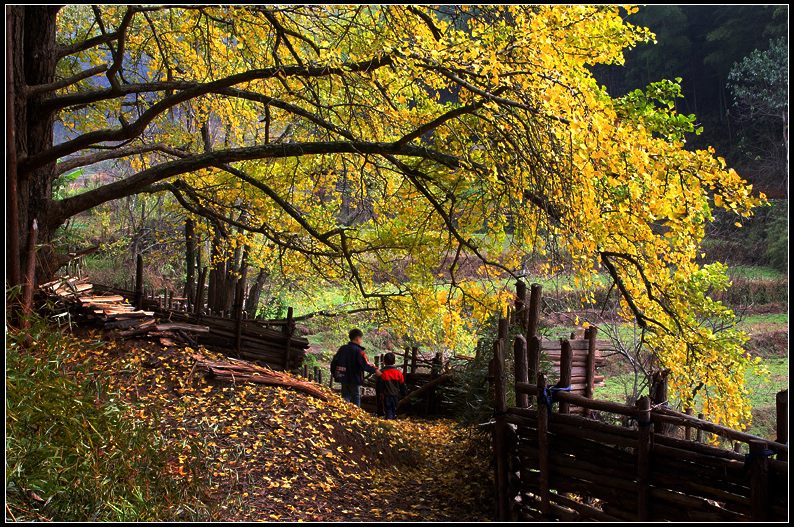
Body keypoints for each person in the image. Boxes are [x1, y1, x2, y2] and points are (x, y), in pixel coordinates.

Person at [330, 328, 379, 407]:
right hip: (354, 378)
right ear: (357, 338)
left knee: (345, 396)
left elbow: (334, 362)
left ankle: (345, 412)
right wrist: (375, 369)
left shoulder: (342, 349)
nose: (361, 340)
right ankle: (357, 414)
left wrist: (334, 373)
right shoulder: (359, 351)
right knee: (356, 396)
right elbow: (364, 364)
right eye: (361, 338)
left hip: (343, 377)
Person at [376, 352, 406, 419]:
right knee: (393, 410)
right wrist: (403, 394)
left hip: (386, 396)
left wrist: (380, 394)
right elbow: (402, 385)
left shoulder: (382, 372)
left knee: (388, 410)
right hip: (396, 396)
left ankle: (389, 423)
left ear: (384, 361)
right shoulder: (398, 373)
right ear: (394, 361)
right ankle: (392, 422)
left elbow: (379, 386)